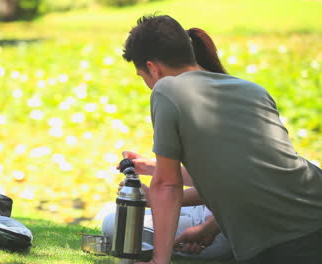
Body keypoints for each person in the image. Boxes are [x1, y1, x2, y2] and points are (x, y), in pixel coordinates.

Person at [121, 14, 322, 264]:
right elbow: (250, 170)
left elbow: (167, 186)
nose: (148, 85)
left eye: (143, 77)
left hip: (289, 242)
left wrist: (159, 261)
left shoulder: (167, 88)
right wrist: (153, 168)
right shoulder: (253, 90)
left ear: (152, 68)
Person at [101, 152, 233, 260]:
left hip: (225, 228)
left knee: (113, 225)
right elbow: (212, 180)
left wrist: (158, 200)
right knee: (111, 213)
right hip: (204, 209)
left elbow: (235, 190)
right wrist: (154, 168)